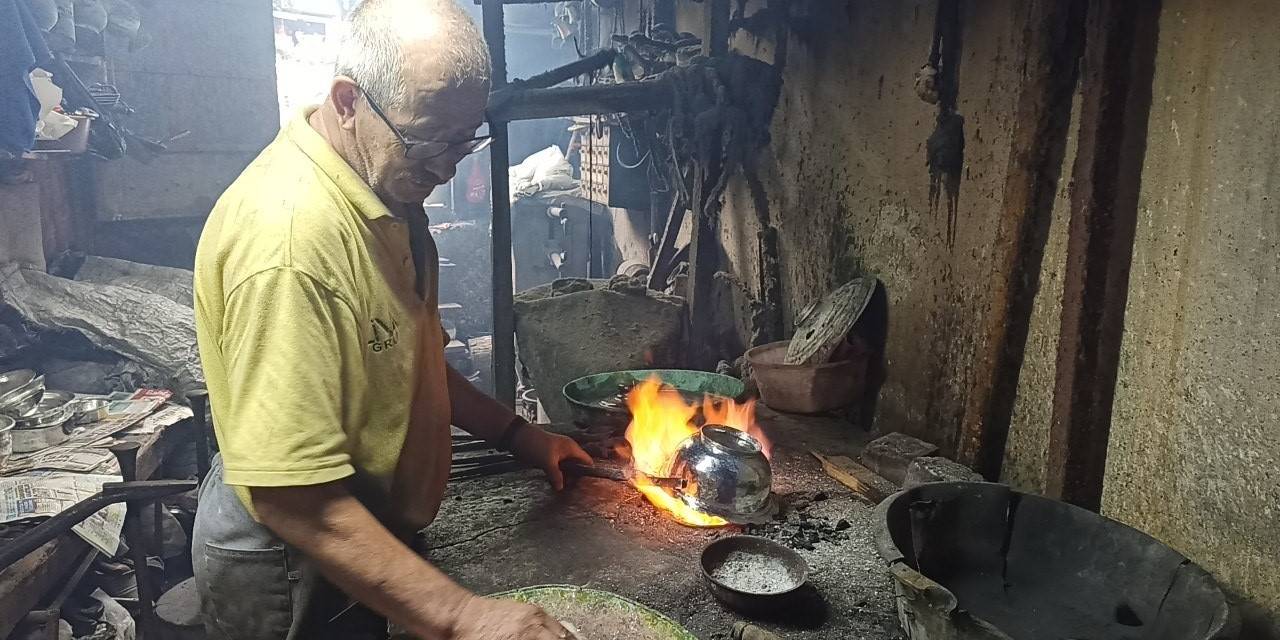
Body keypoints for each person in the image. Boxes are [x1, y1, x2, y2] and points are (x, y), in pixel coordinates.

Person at [190, 1, 592, 638]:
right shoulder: (291, 245)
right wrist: (463, 616)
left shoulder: (382, 188)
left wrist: (521, 436)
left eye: (464, 140)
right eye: (427, 141)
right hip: (293, 556)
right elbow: (290, 496)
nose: (447, 167)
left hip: (362, 522)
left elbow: (407, 361)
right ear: (348, 101)